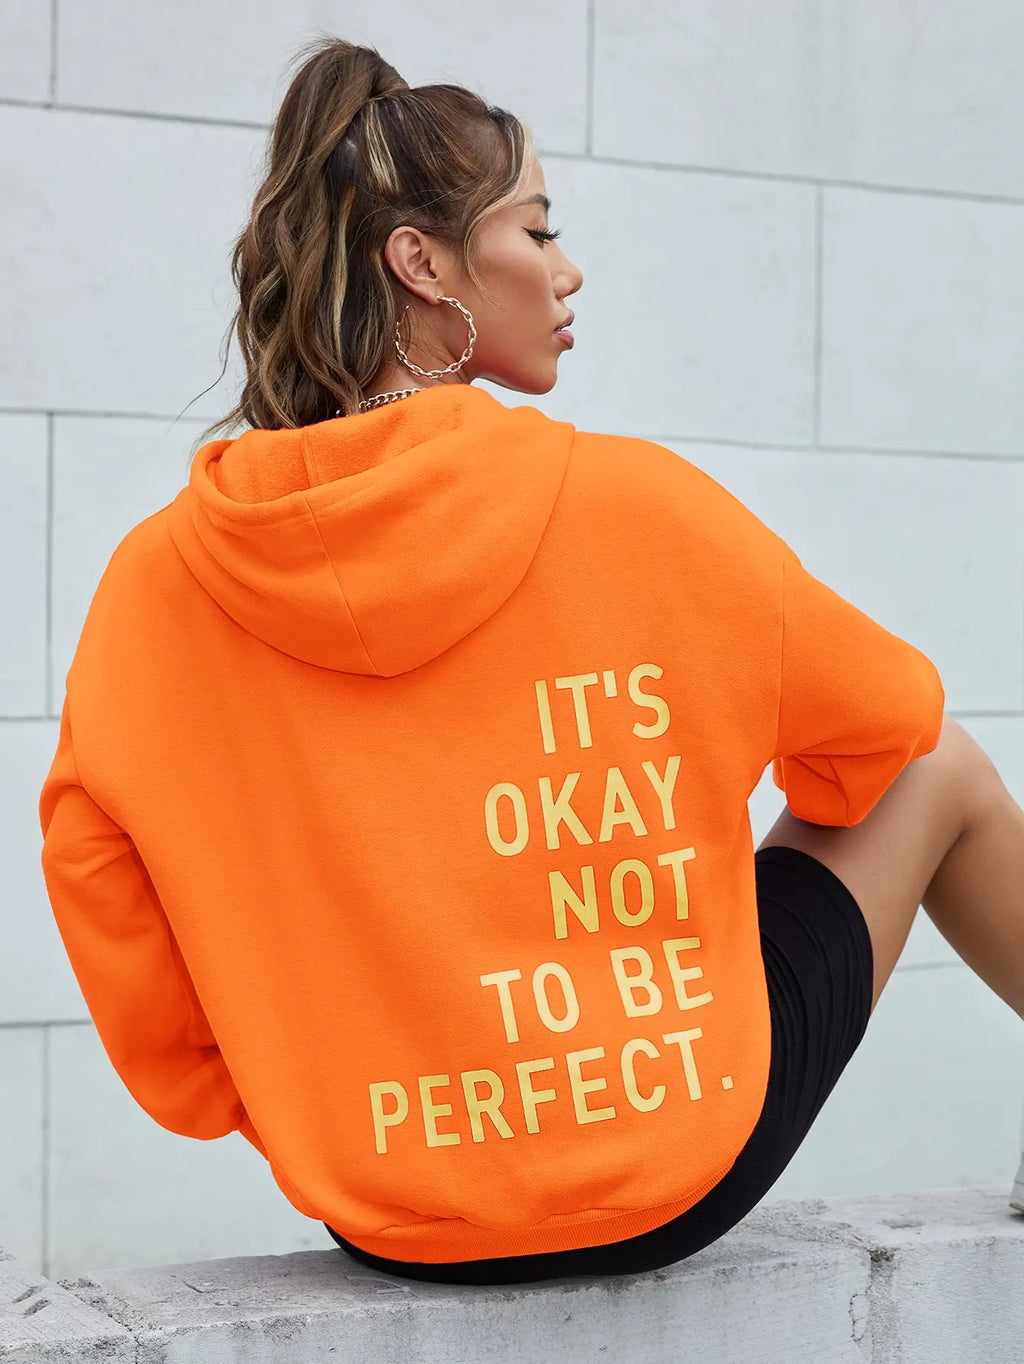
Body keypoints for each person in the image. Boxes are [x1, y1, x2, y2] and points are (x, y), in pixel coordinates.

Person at [37, 35, 1024, 1289]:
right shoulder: (634, 507)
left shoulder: (156, 584)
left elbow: (99, 883)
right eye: (538, 229)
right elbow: (886, 725)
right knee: (941, 763)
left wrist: (289, 1086)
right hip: (674, 1159)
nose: (567, 268)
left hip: (386, 1205)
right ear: (422, 263)